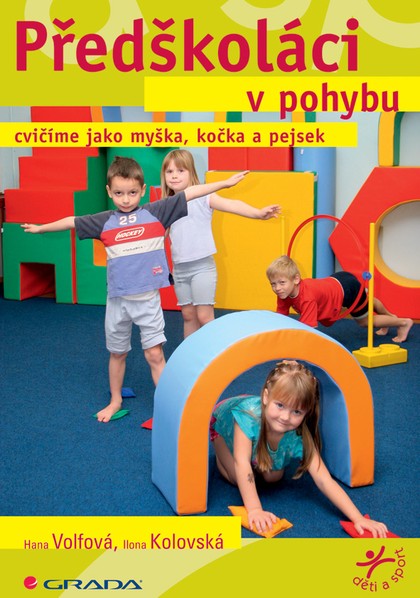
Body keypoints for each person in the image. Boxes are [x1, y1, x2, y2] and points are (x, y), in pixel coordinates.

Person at [22, 156, 249, 422]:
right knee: (117, 352)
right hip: (117, 301)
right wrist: (41, 229)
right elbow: (72, 221)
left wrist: (224, 183)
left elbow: (190, 193)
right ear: (109, 192)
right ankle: (115, 400)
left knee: (154, 354)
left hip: (147, 301)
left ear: (142, 190)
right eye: (119, 193)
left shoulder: (156, 212)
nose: (126, 199)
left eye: (132, 193)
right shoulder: (104, 221)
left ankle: (172, 407)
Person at [211, 360, 388, 537]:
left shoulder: (299, 435)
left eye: (296, 412)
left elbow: (324, 480)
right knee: (237, 477)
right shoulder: (247, 417)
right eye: (280, 405)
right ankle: (222, 456)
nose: (285, 417)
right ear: (266, 397)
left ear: (306, 412)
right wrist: (255, 509)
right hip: (225, 420)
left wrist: (358, 518)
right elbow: (242, 463)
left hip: (260, 427)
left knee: (273, 478)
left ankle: (259, 454)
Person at [160, 150, 280, 338]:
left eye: (180, 170)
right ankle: (190, 353)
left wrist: (257, 213)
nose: (174, 176)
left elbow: (233, 204)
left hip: (202, 267)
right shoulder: (167, 204)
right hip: (180, 269)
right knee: (188, 315)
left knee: (204, 316)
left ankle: (214, 352)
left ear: (191, 172)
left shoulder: (204, 197)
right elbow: (160, 234)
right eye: (169, 171)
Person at [266, 255, 413, 342]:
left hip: (347, 288)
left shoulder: (306, 298)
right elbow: (281, 318)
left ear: (296, 279)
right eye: (273, 284)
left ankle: (403, 322)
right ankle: (389, 317)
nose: (277, 288)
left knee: (364, 321)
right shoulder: (284, 293)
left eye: (282, 282)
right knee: (366, 301)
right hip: (338, 279)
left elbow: (308, 331)